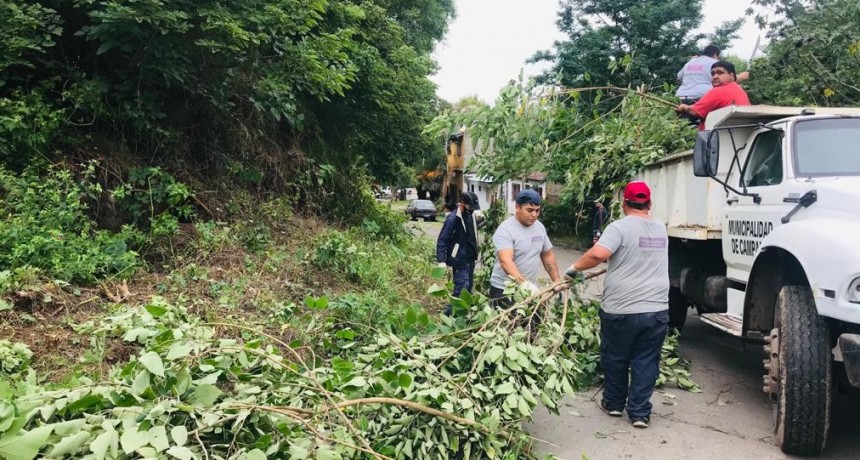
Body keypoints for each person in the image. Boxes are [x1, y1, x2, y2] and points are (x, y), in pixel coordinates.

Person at [565, 181, 669, 429]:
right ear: (650, 204)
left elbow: (598, 255)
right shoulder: (660, 229)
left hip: (621, 309)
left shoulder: (618, 227)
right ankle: (640, 413)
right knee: (646, 361)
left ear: (624, 204)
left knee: (616, 357)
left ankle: (613, 404)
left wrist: (573, 269)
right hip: (656, 309)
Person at [489, 189, 562, 307]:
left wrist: (557, 281)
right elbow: (505, 260)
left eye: (537, 211)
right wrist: (524, 285)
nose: (534, 215)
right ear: (517, 207)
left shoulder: (539, 227)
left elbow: (547, 255)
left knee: (534, 324)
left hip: (528, 290)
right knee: (509, 324)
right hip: (505, 291)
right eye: (530, 210)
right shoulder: (506, 230)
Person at [436, 192, 481, 313]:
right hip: (459, 259)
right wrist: (441, 260)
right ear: (462, 204)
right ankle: (449, 314)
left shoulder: (471, 215)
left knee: (468, 290)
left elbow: (472, 233)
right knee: (461, 288)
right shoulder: (453, 219)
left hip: (470, 258)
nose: (471, 209)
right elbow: (442, 239)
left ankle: (464, 314)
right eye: (469, 207)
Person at [675, 60, 751, 131]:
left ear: (731, 76)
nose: (715, 77)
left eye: (720, 73)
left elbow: (694, 112)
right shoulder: (740, 90)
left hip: (715, 138)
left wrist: (684, 107)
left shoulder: (718, 91)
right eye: (713, 73)